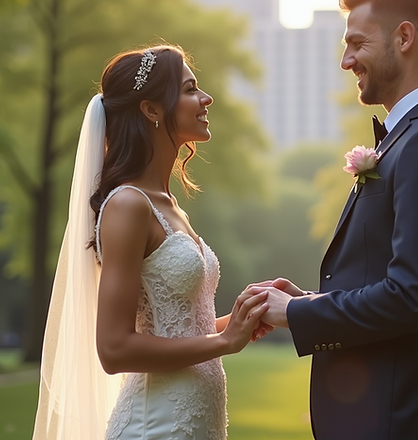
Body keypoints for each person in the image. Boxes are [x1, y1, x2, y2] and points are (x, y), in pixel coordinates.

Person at [248, 0, 418, 439]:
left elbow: (412, 298)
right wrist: (312, 302)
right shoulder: (417, 135)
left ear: (404, 37)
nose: (345, 61)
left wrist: (295, 315)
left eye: (356, 43)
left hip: (406, 420)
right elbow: (392, 280)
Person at [32, 45, 271, 440]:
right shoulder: (129, 205)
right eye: (191, 89)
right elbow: (115, 349)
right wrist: (224, 342)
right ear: (152, 109)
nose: (205, 98)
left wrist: (244, 318)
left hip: (198, 424)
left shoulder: (170, 206)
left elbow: (177, 329)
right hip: (155, 426)